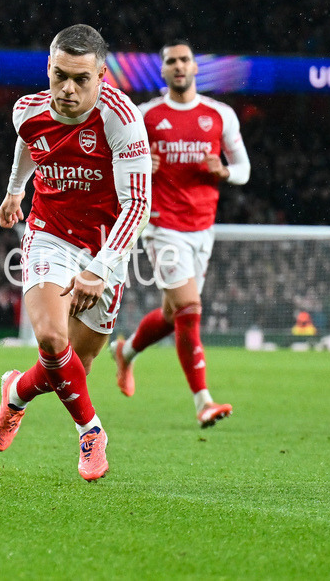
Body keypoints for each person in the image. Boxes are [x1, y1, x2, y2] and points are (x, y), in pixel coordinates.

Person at [0, 24, 151, 481]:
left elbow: (138, 204)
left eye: (81, 79)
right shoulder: (27, 109)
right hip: (50, 234)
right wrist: (15, 191)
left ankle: (15, 394)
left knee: (73, 365)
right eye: (59, 75)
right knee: (51, 341)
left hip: (107, 246)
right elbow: (28, 141)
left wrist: (100, 269)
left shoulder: (120, 117)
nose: (68, 89)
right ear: (48, 68)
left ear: (102, 75)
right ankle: (91, 430)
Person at [112, 40, 251, 428]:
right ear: (162, 71)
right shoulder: (144, 116)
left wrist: (223, 171)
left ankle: (126, 352)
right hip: (160, 226)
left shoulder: (219, 115)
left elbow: (244, 169)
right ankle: (203, 400)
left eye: (184, 60)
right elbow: (115, 168)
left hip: (202, 227)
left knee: (174, 313)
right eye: (171, 61)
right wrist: (140, 163)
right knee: (190, 310)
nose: (178, 66)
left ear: (194, 68)